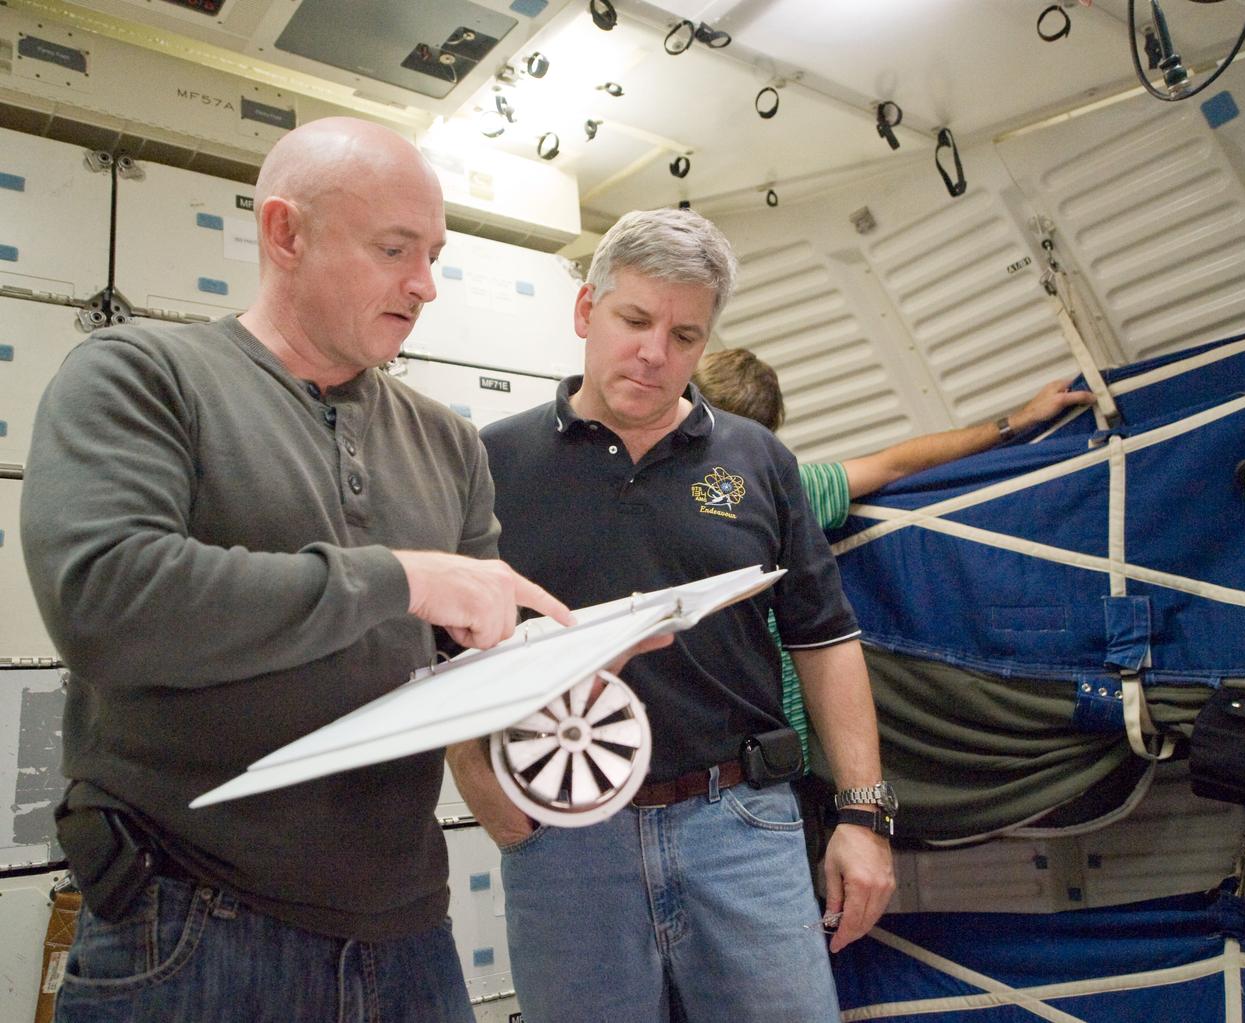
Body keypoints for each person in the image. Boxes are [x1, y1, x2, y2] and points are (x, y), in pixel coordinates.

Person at [19, 116, 572, 1023]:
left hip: (407, 939)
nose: (425, 285)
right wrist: (399, 577)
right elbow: (108, 601)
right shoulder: (140, 376)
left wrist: (558, 675)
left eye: (432, 253)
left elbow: (473, 657)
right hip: (190, 929)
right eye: (395, 249)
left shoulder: (449, 444)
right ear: (285, 232)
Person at [447, 208, 894, 1023]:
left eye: (685, 335)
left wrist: (865, 814)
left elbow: (825, 639)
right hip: (563, 837)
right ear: (587, 311)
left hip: (741, 825)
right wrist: (472, 771)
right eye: (635, 320)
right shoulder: (491, 461)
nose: (656, 354)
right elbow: (451, 649)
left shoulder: (759, 460)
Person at [692, 347, 1097, 765]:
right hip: (768, 750)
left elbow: (895, 465)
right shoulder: (786, 491)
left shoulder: (775, 489)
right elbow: (894, 465)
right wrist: (1017, 421)